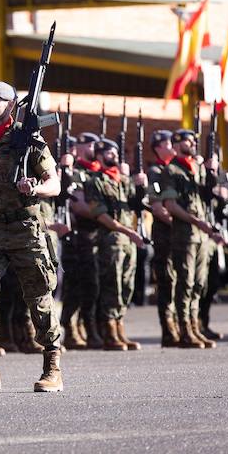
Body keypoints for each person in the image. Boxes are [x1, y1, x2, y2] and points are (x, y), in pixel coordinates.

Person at [0, 81, 63, 393]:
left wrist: (35, 188)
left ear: (11, 105)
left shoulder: (30, 141)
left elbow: (54, 184)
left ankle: (52, 365)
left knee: (38, 297)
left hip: (26, 228)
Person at [160, 129, 222, 349]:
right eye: (188, 140)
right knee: (185, 282)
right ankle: (184, 329)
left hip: (202, 237)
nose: (193, 143)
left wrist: (213, 173)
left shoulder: (198, 169)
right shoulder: (171, 170)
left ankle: (195, 326)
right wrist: (197, 222)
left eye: (194, 140)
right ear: (177, 143)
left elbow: (210, 196)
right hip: (185, 235)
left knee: (198, 284)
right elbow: (171, 205)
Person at [83, 138, 146, 351]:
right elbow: (100, 215)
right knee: (113, 286)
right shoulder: (95, 181)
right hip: (110, 241)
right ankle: (109, 332)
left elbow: (138, 204)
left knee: (127, 286)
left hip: (129, 242)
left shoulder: (123, 181)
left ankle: (120, 328)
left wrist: (140, 185)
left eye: (116, 152)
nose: (115, 156)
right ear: (100, 156)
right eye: (110, 153)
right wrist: (128, 231)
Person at [62, 132, 104, 350]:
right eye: (90, 144)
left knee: (93, 286)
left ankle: (89, 326)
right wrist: (105, 216)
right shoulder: (76, 173)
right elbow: (77, 205)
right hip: (79, 236)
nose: (94, 148)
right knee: (76, 285)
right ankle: (71, 327)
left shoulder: (96, 172)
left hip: (96, 235)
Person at [147, 130, 178, 346]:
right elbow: (157, 206)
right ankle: (168, 330)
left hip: (179, 236)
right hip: (165, 235)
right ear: (159, 146)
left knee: (180, 280)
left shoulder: (175, 171)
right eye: (170, 143)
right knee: (167, 280)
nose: (173, 146)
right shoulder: (156, 171)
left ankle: (182, 324)